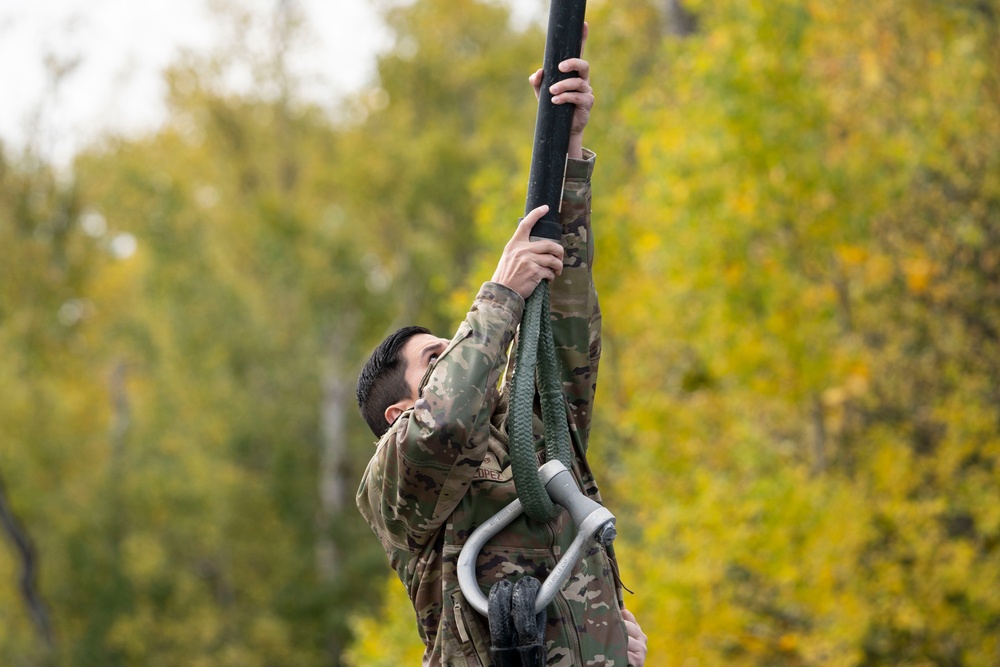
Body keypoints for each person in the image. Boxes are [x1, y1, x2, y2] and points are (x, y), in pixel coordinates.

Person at [356, 36, 647, 667]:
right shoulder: (396, 485)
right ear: (398, 413)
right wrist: (499, 294)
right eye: (437, 357)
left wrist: (566, 156)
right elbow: (447, 423)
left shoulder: (534, 438)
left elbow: (568, 331)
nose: (462, 353)